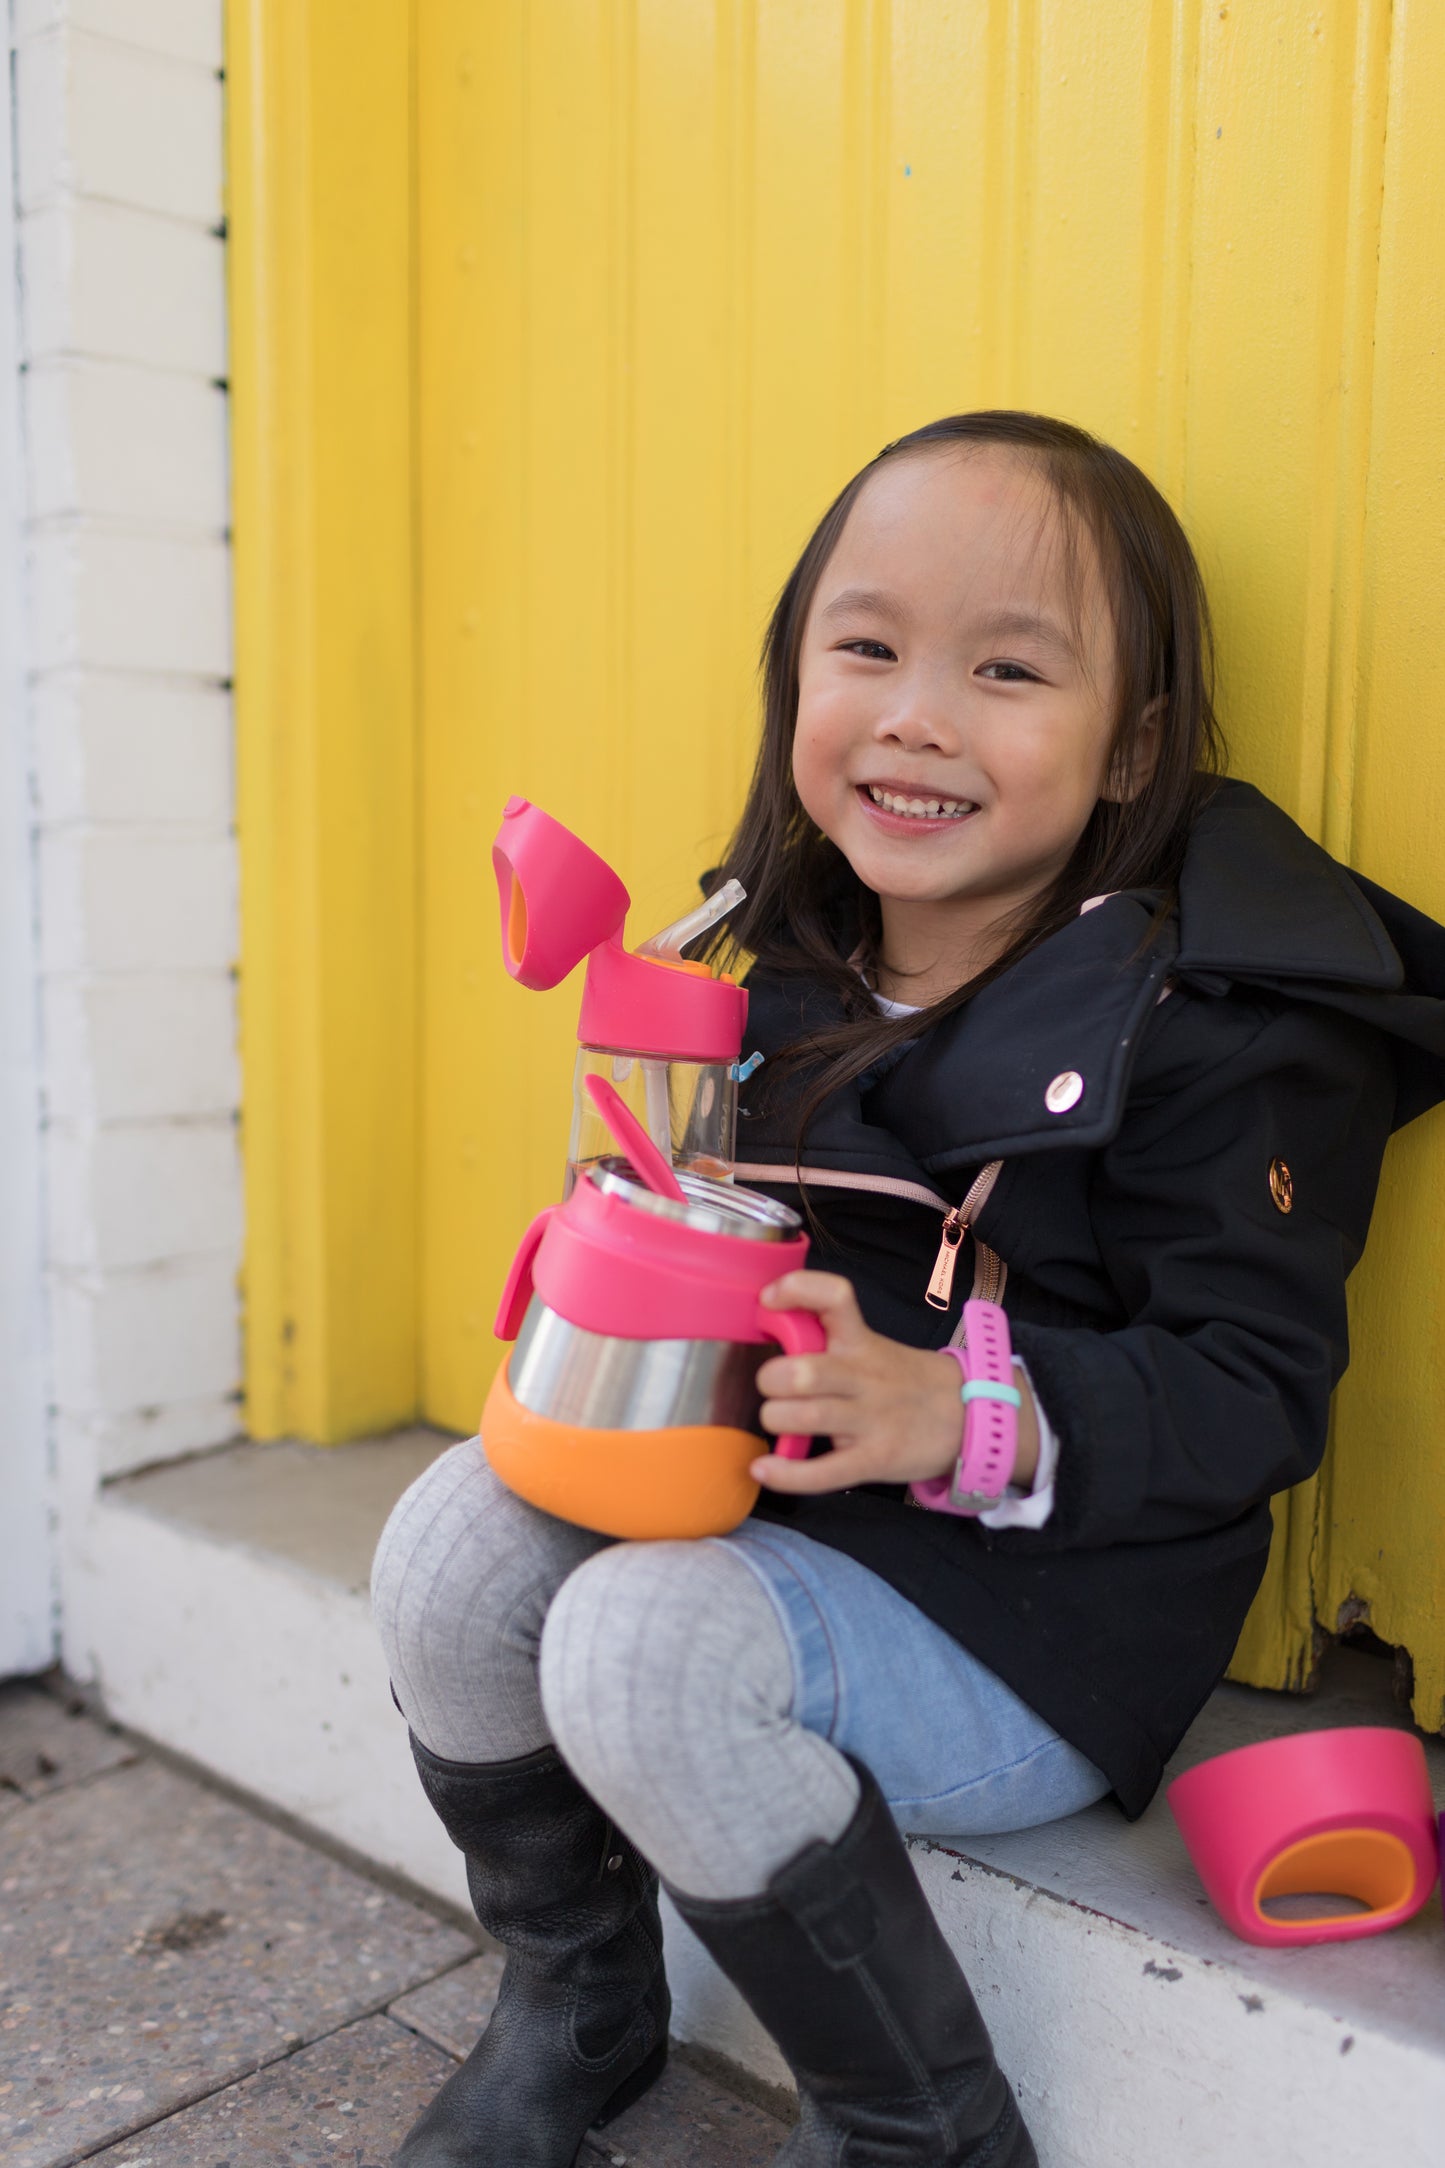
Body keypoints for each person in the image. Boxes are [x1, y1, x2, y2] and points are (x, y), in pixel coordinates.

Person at [371, 412, 1445, 2167]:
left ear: (1129, 748)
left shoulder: (1215, 1028)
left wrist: (963, 1411)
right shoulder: (772, 959)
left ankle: (917, 2127)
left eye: (1006, 670)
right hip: (777, 1516)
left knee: (633, 1651)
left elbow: (1248, 1386)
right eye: (862, 647)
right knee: (449, 1552)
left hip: (1035, 1611)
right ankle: (574, 1995)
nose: (914, 713)